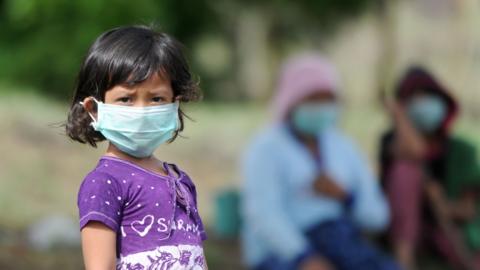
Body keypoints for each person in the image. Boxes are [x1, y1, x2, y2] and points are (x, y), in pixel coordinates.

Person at [65, 25, 207, 270]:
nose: (141, 112)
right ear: (94, 109)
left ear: (175, 105)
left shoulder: (181, 181)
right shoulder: (104, 182)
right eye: (126, 99)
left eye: (156, 99)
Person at [241, 54, 399, 270]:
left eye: (328, 99)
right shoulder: (267, 147)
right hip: (282, 253)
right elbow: (263, 214)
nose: (321, 107)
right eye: (313, 99)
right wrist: (304, 257)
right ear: (292, 100)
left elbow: (377, 216)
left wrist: (345, 196)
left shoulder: (343, 146)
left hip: (340, 242)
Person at [380, 67, 480, 270]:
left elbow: (469, 209)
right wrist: (399, 117)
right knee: (405, 170)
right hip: (406, 232)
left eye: (427, 96)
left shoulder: (462, 151)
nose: (421, 104)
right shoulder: (392, 142)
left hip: (449, 230)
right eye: (413, 99)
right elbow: (415, 151)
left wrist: (445, 205)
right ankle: (403, 259)